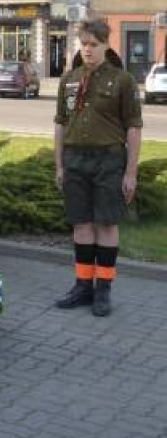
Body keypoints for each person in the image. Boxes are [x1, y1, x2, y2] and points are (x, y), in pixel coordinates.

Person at [54, 20, 142, 317]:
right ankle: (82, 286)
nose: (88, 50)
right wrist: (60, 164)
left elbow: (133, 128)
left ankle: (103, 288)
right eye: (84, 44)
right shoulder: (69, 79)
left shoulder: (122, 80)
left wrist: (131, 172)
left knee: (105, 224)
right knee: (80, 223)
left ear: (106, 45)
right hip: (75, 160)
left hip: (108, 160)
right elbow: (60, 124)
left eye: (94, 44)